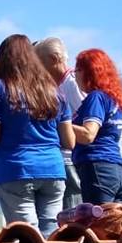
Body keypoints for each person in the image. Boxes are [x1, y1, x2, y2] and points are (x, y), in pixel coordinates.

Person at [0, 35, 75, 237]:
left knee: (27, 236)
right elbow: (69, 141)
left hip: (16, 169)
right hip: (53, 170)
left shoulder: (0, 88)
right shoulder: (53, 91)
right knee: (51, 232)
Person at [72, 49, 122, 204]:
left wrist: (59, 124)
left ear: (89, 72)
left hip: (98, 168)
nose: (75, 75)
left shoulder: (96, 97)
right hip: (117, 170)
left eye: (77, 70)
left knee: (95, 225)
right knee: (112, 225)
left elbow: (88, 135)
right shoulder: (115, 100)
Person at [35, 37, 86, 210]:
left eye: (40, 63)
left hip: (71, 161)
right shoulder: (57, 86)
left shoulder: (71, 84)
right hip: (61, 160)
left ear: (54, 59)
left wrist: (51, 124)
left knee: (72, 215)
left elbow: (90, 129)